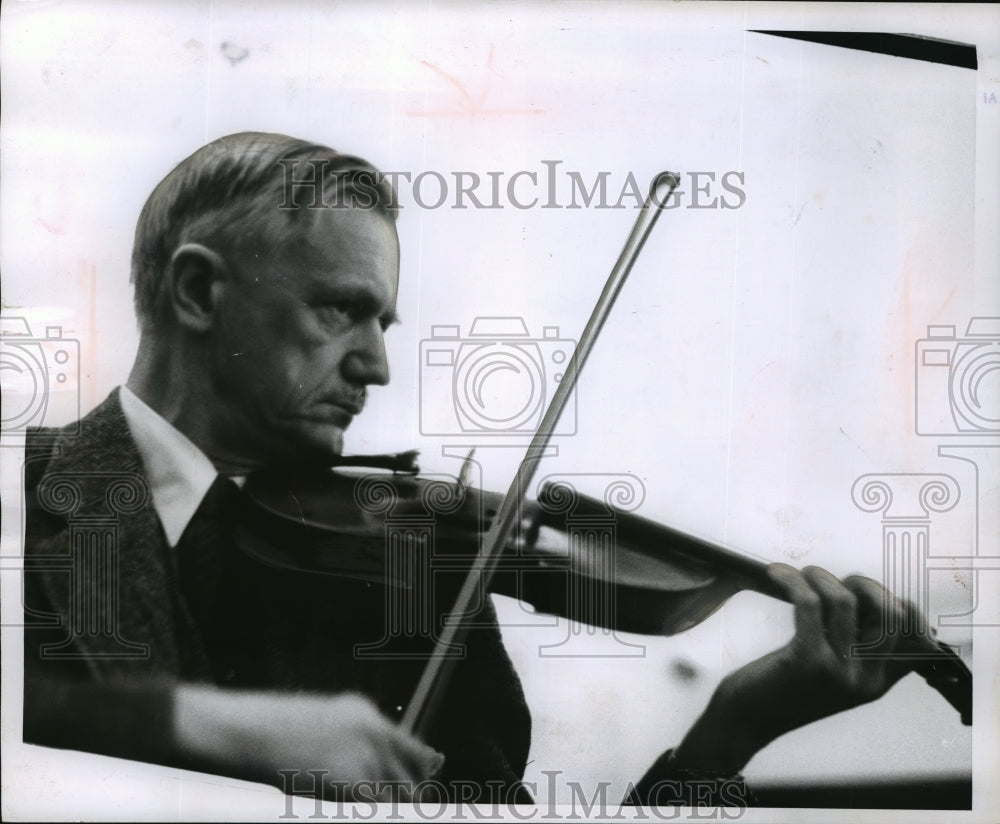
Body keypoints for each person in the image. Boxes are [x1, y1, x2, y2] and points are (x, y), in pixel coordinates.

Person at [22, 131, 933, 808]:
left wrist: (735, 726)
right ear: (197, 291)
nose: (377, 366)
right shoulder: (21, 498)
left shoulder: (411, 563)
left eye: (386, 325)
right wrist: (217, 728)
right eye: (343, 312)